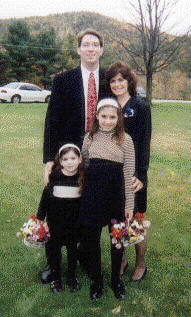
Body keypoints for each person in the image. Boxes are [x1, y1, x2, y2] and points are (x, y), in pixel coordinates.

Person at [42, 28, 106, 282]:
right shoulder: (63, 80)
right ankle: (53, 263)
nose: (91, 48)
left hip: (99, 157)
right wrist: (49, 159)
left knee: (90, 209)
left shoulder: (111, 79)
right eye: (86, 44)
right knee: (58, 210)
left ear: (101, 49)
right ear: (78, 49)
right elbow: (52, 121)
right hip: (67, 157)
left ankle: (87, 257)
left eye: (95, 44)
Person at [78, 98, 135, 300]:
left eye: (112, 117)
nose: (108, 121)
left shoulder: (125, 140)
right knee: (91, 239)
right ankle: (97, 279)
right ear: (97, 116)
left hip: (115, 195)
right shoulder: (89, 137)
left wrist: (129, 203)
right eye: (104, 116)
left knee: (116, 238)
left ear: (118, 118)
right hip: (93, 194)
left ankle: (115, 280)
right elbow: (83, 164)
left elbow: (128, 173)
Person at [105, 61, 152, 282]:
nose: (117, 84)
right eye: (113, 81)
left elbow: (144, 143)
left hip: (133, 175)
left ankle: (140, 262)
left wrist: (140, 175)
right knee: (116, 220)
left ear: (128, 81)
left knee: (135, 220)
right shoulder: (107, 106)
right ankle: (121, 259)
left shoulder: (140, 107)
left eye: (121, 80)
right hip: (112, 174)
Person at [37, 144, 83, 294]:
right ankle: (56, 279)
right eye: (65, 159)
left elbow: (85, 202)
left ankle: (71, 277)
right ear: (60, 162)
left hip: (73, 224)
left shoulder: (82, 178)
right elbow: (45, 199)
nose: (70, 162)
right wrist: (40, 218)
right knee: (54, 252)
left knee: (72, 252)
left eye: (73, 158)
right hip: (55, 223)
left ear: (79, 159)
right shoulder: (55, 177)